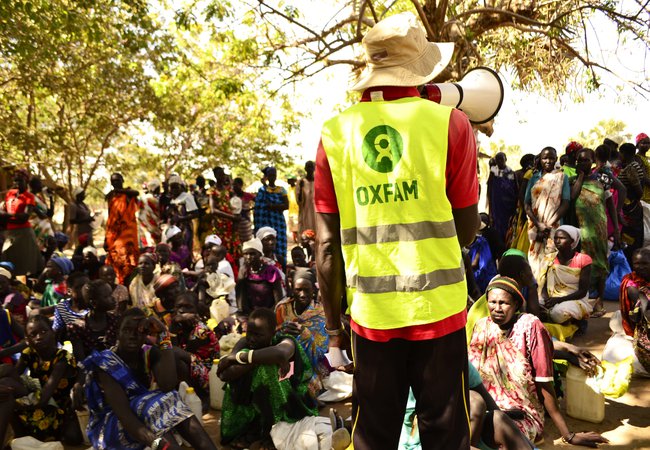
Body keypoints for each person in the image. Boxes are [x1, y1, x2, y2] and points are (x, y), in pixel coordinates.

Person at [315, 13, 479, 449]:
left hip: (371, 319)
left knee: (373, 435)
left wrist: (334, 333)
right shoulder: (451, 123)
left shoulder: (334, 134)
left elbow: (326, 248)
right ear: (421, 68)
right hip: (439, 312)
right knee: (446, 437)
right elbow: (466, 230)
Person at [469, 277, 608, 447]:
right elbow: (473, 377)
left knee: (501, 434)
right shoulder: (482, 327)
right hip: (486, 406)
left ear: (516, 305)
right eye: (492, 302)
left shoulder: (529, 327)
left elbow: (544, 385)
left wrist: (568, 434)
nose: (497, 308)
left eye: (504, 303)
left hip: (521, 412)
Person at [81, 308, 217, 450]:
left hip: (143, 418)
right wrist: (158, 444)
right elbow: (125, 415)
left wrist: (164, 335)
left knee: (166, 398)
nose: (132, 336)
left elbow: (168, 385)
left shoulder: (148, 353)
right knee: (152, 405)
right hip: (109, 429)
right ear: (118, 334)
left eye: (139, 331)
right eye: (126, 330)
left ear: (146, 334)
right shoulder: (106, 364)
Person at [217, 307, 319, 448]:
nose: (252, 339)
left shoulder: (286, 341)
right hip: (258, 403)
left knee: (268, 370)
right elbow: (226, 374)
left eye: (258, 335)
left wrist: (240, 358)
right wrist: (257, 359)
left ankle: (270, 432)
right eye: (250, 333)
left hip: (290, 402)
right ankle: (256, 429)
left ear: (273, 332)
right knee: (248, 375)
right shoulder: (244, 343)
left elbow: (280, 353)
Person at [0, 315, 82, 445]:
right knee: (6, 375)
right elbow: (13, 375)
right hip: (36, 397)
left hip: (56, 410)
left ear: (53, 332)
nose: (39, 337)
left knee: (7, 392)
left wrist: (15, 401)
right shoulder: (29, 353)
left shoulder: (63, 358)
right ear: (28, 340)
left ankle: (16, 438)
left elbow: (44, 398)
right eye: (33, 334)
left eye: (44, 332)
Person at [571, 148, 620, 315]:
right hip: (581, 230)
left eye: (586, 160)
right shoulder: (573, 180)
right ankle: (583, 300)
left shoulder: (601, 180)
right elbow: (572, 197)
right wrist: (581, 177)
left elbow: (610, 206)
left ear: (592, 161)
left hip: (599, 229)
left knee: (600, 264)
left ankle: (599, 301)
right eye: (580, 160)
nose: (583, 163)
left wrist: (617, 229)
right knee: (582, 264)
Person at [524, 147, 570, 279]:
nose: (548, 161)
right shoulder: (534, 178)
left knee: (552, 259)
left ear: (556, 159)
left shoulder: (562, 178)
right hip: (535, 226)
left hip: (554, 227)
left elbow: (565, 203)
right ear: (540, 159)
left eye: (551, 158)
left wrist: (547, 225)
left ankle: (550, 292)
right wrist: (539, 225)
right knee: (535, 259)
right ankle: (538, 292)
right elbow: (526, 204)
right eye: (545, 158)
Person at [275, 268, 329, 380]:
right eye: (298, 290)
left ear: (314, 290)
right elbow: (270, 336)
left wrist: (304, 334)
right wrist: (281, 331)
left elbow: (321, 353)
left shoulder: (322, 313)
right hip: (283, 361)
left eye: (307, 290)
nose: (302, 294)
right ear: (292, 289)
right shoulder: (282, 309)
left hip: (310, 366)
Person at [170, 292, 219, 402]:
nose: (182, 311)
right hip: (191, 368)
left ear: (197, 310)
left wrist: (172, 329)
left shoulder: (201, 330)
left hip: (208, 376)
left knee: (173, 353)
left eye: (188, 307)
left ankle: (201, 398)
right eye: (179, 307)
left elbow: (177, 352)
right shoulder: (179, 326)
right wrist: (173, 328)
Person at [540, 225, 593, 324]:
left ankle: (577, 322)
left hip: (575, 299)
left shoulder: (583, 260)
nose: (557, 241)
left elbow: (582, 291)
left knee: (558, 313)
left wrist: (558, 300)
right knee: (533, 307)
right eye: (555, 238)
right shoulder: (549, 259)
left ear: (572, 241)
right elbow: (543, 284)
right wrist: (547, 300)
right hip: (552, 298)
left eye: (562, 238)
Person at [0, 169, 44, 276]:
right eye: (15, 181)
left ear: (26, 181)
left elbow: (24, 217)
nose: (17, 184)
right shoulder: (10, 194)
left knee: (25, 263)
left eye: (20, 181)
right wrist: (10, 216)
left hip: (24, 232)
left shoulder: (29, 197)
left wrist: (6, 216)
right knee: (8, 259)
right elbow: (4, 210)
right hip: (10, 232)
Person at [69, 279, 119, 362]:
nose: (113, 298)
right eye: (107, 296)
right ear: (94, 303)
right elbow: (80, 360)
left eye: (111, 294)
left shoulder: (116, 320)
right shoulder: (77, 327)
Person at [618, 248, 650, 373]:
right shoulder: (630, 281)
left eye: (645, 263)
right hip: (641, 319)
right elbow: (642, 302)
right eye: (637, 263)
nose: (640, 267)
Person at [105, 172, 140, 284]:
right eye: (113, 181)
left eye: (118, 180)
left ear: (122, 180)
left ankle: (130, 283)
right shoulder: (111, 196)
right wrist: (107, 237)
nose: (116, 183)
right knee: (115, 258)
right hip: (114, 231)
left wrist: (119, 191)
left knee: (127, 258)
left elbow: (136, 192)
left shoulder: (128, 193)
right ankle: (121, 284)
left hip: (127, 231)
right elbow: (110, 217)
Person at [253, 166, 289, 269]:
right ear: (267, 177)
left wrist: (272, 206)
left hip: (278, 222)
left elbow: (286, 206)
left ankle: (281, 266)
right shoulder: (262, 190)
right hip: (265, 222)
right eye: (270, 175)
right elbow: (258, 207)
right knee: (266, 244)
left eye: (274, 175)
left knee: (279, 243)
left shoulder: (281, 190)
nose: (272, 177)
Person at [237, 238, 284, 315]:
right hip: (250, 314)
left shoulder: (271, 271)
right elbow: (240, 297)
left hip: (270, 313)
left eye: (252, 253)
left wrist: (268, 314)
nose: (248, 257)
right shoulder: (244, 271)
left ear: (260, 254)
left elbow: (278, 299)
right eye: (245, 254)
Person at [618, 142, 645, 261]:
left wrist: (631, 203)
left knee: (630, 237)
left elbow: (638, 190)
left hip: (631, 208)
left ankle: (631, 262)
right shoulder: (633, 165)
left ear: (624, 153)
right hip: (631, 206)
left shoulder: (631, 168)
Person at [210, 167, 241, 259]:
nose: (223, 176)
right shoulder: (212, 191)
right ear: (215, 176)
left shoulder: (228, 190)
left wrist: (235, 219)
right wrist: (231, 217)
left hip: (230, 224)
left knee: (233, 246)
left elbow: (235, 203)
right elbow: (213, 210)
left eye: (223, 174)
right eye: (220, 174)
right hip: (220, 225)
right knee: (222, 246)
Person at [486, 152, 518, 241]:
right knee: (496, 224)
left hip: (508, 205)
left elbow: (515, 189)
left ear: (505, 160)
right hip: (497, 205)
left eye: (501, 159)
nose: (499, 161)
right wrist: (490, 202)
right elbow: (490, 187)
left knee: (508, 224)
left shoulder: (511, 172)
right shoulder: (493, 172)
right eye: (497, 159)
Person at [28, 176, 55, 248]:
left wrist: (51, 197)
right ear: (35, 185)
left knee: (50, 246)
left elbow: (50, 214)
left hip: (43, 228)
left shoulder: (39, 198)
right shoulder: (30, 197)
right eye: (40, 183)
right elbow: (42, 215)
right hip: (36, 228)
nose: (42, 186)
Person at [137, 180, 161, 248]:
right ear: (155, 188)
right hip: (154, 226)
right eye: (158, 188)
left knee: (147, 244)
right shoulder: (156, 199)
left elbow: (139, 212)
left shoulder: (142, 198)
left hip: (144, 226)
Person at [233, 177, 255, 243]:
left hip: (246, 222)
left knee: (247, 241)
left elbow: (258, 201)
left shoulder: (247, 195)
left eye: (235, 185)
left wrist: (250, 209)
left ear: (240, 185)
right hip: (236, 223)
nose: (234, 187)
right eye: (233, 185)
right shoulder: (232, 196)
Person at [297, 161, 316, 235]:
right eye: (308, 167)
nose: (310, 169)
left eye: (311, 167)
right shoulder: (301, 182)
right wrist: (301, 188)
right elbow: (299, 201)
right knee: (305, 233)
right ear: (305, 168)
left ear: (314, 168)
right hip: (305, 211)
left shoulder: (317, 181)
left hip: (315, 213)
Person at [635, 132, 650, 203]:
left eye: (648, 143)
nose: (647, 145)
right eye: (644, 143)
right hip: (644, 193)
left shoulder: (647, 158)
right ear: (637, 145)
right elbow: (643, 177)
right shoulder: (637, 158)